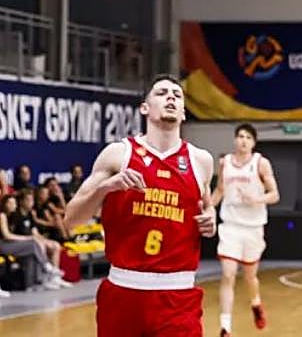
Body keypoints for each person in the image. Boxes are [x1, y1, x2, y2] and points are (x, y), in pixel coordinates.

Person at [64, 75, 217, 337]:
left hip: (178, 294)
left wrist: (210, 219)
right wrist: (106, 187)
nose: (171, 97)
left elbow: (207, 208)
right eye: (161, 93)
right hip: (124, 289)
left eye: (177, 95)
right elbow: (70, 221)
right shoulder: (118, 154)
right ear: (144, 108)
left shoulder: (200, 160)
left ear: (183, 112)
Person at [212, 123, 279, 336]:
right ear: (235, 139)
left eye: (248, 137)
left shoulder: (261, 163)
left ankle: (256, 303)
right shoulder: (225, 163)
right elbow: (220, 190)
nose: (243, 140)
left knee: (250, 277)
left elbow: (275, 194)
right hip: (230, 226)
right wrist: (207, 208)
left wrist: (256, 199)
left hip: (253, 227)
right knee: (228, 274)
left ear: (254, 142)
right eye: (240, 136)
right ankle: (225, 327)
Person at [1, 191, 68, 288]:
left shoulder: (12, 216)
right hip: (3, 244)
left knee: (43, 244)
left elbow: (34, 233)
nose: (13, 205)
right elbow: (7, 236)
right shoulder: (3, 215)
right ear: (5, 204)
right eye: (10, 203)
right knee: (34, 244)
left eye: (14, 203)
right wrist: (28, 238)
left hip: (12, 243)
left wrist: (42, 240)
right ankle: (46, 269)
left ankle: (52, 275)